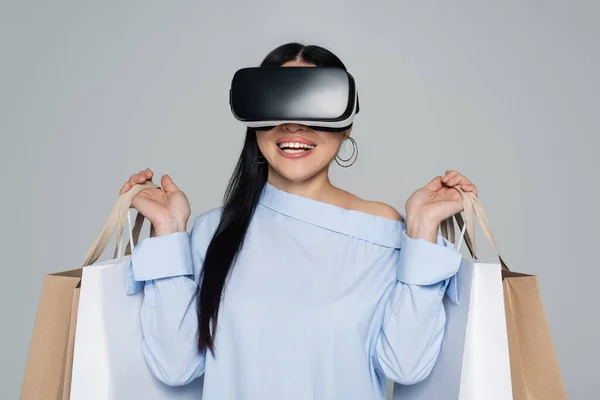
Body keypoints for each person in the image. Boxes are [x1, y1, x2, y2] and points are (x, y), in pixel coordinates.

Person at [121, 42, 477, 400]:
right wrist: (168, 232)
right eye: (277, 103)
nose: (293, 125)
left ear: (346, 124)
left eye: (315, 105)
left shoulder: (382, 231)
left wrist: (422, 229)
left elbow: (406, 366)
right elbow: (176, 366)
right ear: (254, 122)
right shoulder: (212, 232)